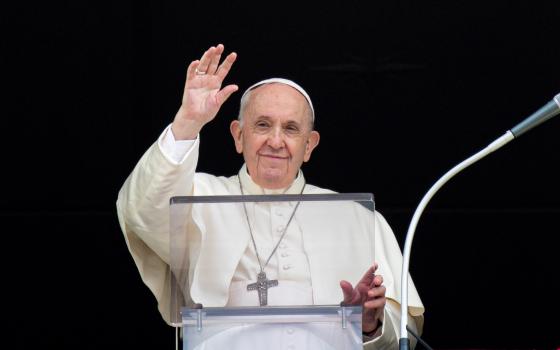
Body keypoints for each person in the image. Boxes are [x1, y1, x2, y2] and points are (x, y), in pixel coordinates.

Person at [116, 44, 424, 349]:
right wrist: (187, 123)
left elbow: (402, 335)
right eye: (263, 125)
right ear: (238, 135)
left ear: (309, 146)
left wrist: (371, 325)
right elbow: (142, 210)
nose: (275, 141)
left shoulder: (357, 217)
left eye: (290, 129)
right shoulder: (198, 197)